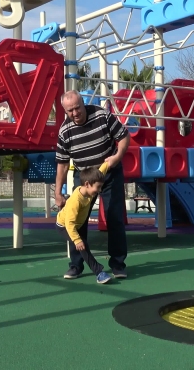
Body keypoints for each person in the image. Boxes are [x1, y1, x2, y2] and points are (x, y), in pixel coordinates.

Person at [55, 90, 130, 280]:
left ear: (83, 103)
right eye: (70, 111)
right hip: (84, 178)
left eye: (77, 108)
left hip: (109, 172)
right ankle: (76, 265)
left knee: (114, 217)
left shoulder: (102, 115)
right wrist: (57, 192)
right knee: (76, 220)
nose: (75, 113)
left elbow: (123, 136)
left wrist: (117, 156)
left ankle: (118, 264)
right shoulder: (64, 131)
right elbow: (62, 164)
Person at [56, 163, 113, 284]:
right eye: (98, 187)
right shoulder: (75, 201)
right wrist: (77, 240)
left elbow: (100, 172)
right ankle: (99, 272)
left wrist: (108, 163)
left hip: (78, 224)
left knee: (82, 245)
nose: (99, 190)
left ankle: (77, 268)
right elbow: (69, 223)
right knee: (83, 247)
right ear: (87, 184)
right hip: (64, 226)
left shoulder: (89, 190)